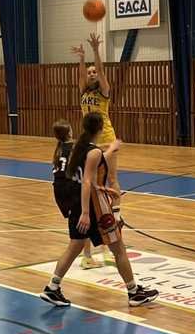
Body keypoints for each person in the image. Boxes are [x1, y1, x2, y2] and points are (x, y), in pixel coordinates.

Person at [40, 112, 158, 308]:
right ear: (101, 128)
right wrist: (87, 212)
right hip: (94, 208)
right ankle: (134, 292)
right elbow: (87, 181)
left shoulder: (79, 148)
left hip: (78, 203)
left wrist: (101, 187)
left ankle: (52, 287)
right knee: (118, 248)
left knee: (75, 246)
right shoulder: (92, 151)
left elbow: (81, 179)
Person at [76, 32, 120, 268]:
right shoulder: (84, 91)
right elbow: (81, 76)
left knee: (111, 179)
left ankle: (116, 211)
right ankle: (92, 250)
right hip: (89, 142)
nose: (92, 74)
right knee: (91, 184)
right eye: (90, 72)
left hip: (106, 138)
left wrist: (95, 50)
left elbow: (102, 71)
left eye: (94, 72)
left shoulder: (104, 90)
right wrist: (82, 59)